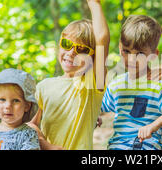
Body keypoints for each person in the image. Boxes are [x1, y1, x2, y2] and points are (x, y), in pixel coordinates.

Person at [101, 15, 162, 150]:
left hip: (147, 146)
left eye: (140, 54)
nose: (131, 59)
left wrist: (154, 125)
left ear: (153, 55)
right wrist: (95, 116)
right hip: (117, 146)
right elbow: (99, 107)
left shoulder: (157, 84)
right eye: (126, 51)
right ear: (120, 48)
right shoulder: (116, 84)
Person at [27, 0, 110, 150]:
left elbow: (102, 39)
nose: (72, 52)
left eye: (82, 49)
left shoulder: (90, 84)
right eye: (66, 44)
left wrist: (94, 3)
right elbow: (30, 125)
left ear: (93, 58)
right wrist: (47, 146)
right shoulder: (43, 87)